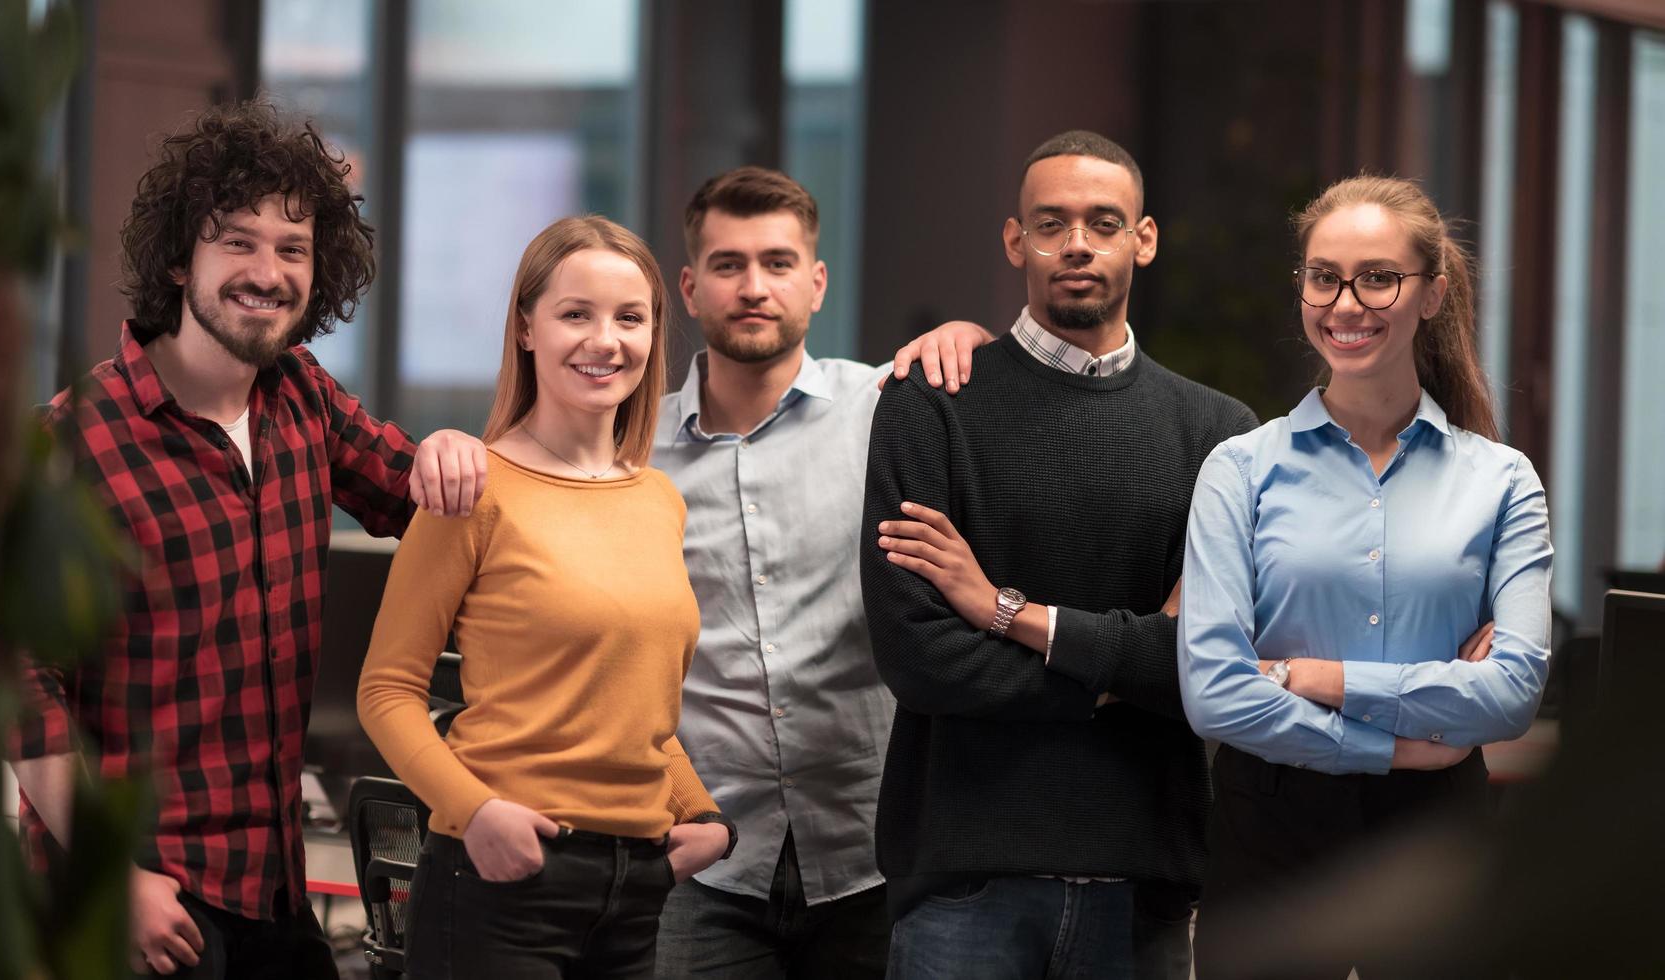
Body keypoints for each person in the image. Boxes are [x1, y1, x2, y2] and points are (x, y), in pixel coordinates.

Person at [7, 101, 487, 979]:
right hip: (142, 902)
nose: (267, 271)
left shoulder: (299, 396)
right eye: (238, 240)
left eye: (293, 249)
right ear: (180, 253)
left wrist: (456, 452)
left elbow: (428, 498)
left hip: (271, 890)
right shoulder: (70, 440)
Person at [862, 130, 1259, 979]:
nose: (1076, 243)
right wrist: (1122, 672)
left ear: (1141, 240)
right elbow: (919, 657)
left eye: (1102, 222)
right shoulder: (930, 406)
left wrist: (1003, 612)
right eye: (1051, 223)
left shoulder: (1220, 436)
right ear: (1016, 241)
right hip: (963, 882)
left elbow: (1208, 666)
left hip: (1141, 886)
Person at [1177, 174, 1552, 980]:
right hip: (1270, 833)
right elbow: (1212, 690)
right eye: (1323, 276)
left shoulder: (1501, 480)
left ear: (1431, 294)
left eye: (1377, 276)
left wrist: (1322, 678)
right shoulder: (1238, 470)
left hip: (1437, 843)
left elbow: (1513, 689)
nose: (1345, 303)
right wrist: (1400, 748)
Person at [357, 215, 734, 980]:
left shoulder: (658, 497)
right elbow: (386, 690)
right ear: (526, 329)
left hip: (638, 888)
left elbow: (635, 708)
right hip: (503, 875)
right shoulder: (472, 490)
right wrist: (476, 812)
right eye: (576, 314)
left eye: (630, 318)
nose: (606, 339)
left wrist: (701, 814)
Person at [650, 167, 990, 978]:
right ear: (691, 288)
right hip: (705, 856)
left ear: (815, 282)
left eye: (776, 262)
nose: (753, 286)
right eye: (728, 266)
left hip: (872, 848)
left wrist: (972, 336)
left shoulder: (885, 409)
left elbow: (1007, 409)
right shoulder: (638, 453)